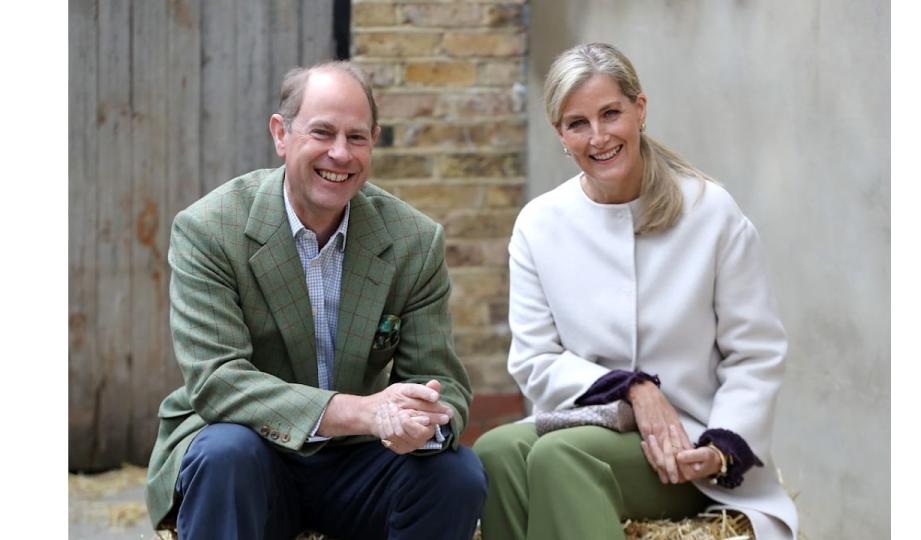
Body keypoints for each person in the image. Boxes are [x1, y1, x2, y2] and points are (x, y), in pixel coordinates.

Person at [144, 61, 486, 540]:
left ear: (374, 141)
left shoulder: (414, 240)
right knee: (225, 453)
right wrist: (361, 411)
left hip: (356, 461)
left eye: (357, 137)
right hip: (250, 451)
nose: (340, 154)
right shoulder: (209, 229)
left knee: (456, 474)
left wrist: (422, 422)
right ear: (281, 135)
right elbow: (217, 381)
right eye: (322, 133)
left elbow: (441, 380)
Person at [473, 43, 798, 540]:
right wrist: (632, 389)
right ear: (560, 134)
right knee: (493, 453)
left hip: (690, 446)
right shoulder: (539, 225)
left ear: (639, 109)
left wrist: (721, 448)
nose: (598, 136)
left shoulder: (711, 213)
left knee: (562, 457)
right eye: (578, 123)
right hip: (590, 421)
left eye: (610, 114)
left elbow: (755, 353)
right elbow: (534, 359)